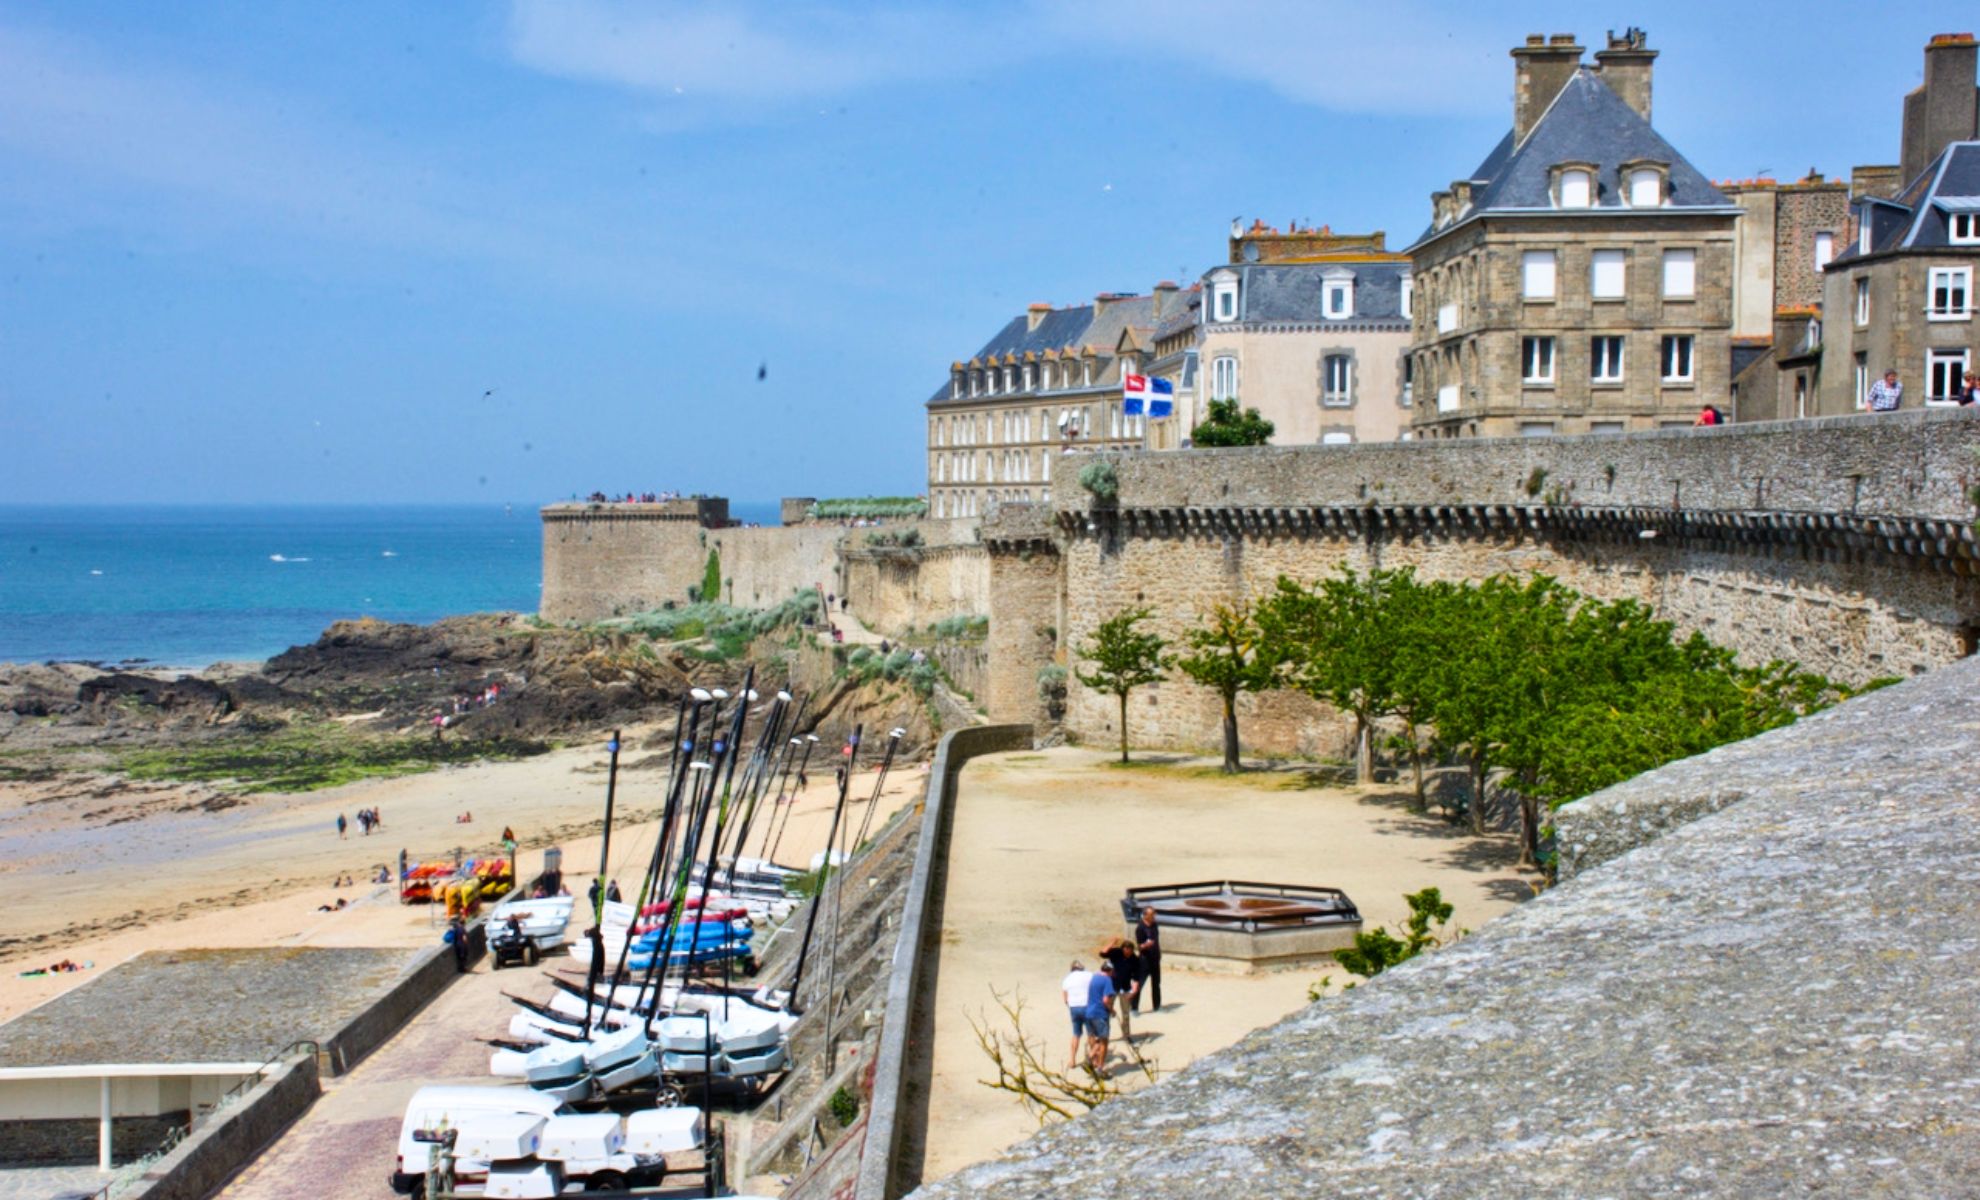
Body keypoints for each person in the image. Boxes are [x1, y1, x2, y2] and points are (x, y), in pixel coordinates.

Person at [1082, 962, 1117, 1071]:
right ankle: (1100, 1068)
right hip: (1100, 1013)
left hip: (1089, 1012)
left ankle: (1091, 1058)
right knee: (1104, 1041)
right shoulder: (1107, 980)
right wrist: (1112, 1010)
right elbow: (1106, 1000)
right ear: (1110, 971)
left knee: (1094, 1037)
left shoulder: (1094, 978)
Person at [1061, 959, 1095, 1069]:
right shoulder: (1089, 975)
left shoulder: (1067, 979)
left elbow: (1065, 999)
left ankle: (1072, 1060)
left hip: (1074, 1007)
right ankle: (1093, 1059)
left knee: (1076, 1034)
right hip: (1087, 1006)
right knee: (1091, 1033)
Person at [1135, 907, 1163, 1011]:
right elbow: (1139, 946)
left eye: (1154, 914)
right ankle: (1134, 1007)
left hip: (1155, 959)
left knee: (1156, 984)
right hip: (1145, 960)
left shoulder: (1155, 925)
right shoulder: (1140, 928)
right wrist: (1146, 945)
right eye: (1151, 915)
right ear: (1145, 915)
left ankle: (1157, 1006)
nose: (1153, 916)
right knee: (1139, 984)